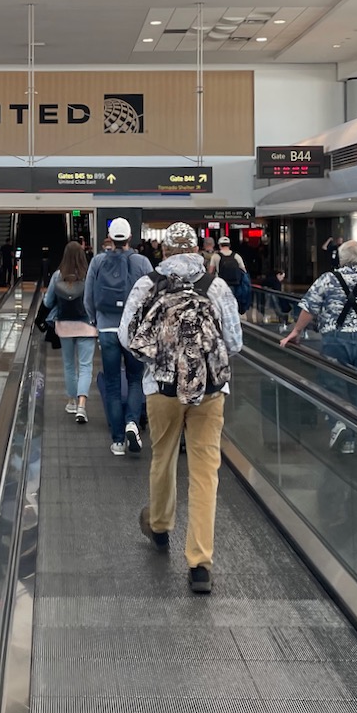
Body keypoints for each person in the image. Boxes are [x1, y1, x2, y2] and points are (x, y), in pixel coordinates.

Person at [121, 221, 243, 594]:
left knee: (164, 455)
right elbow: (235, 341)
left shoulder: (149, 284)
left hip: (161, 388)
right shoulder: (216, 285)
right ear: (197, 250)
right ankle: (200, 564)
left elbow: (128, 336)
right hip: (209, 390)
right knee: (206, 472)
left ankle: (160, 526)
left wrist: (164, 355)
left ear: (166, 252)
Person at [281, 239, 357, 455]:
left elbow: (309, 308)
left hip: (335, 340)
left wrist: (295, 332)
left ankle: (338, 424)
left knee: (331, 386)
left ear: (340, 258)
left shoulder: (327, 279)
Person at [84, 217, 154, 456]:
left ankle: (117, 441)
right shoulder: (142, 262)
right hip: (133, 331)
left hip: (107, 330)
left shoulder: (98, 261)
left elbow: (88, 296)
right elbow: (152, 295)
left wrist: (95, 320)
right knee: (136, 379)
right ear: (130, 238)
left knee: (113, 384)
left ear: (110, 238)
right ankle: (132, 422)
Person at [44, 241, 96, 425]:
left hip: (64, 325)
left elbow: (48, 302)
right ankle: (82, 405)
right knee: (85, 366)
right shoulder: (89, 275)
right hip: (87, 325)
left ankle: (71, 401)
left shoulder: (58, 275)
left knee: (68, 365)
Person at [215, 236, 252, 317]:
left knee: (223, 303)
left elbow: (210, 271)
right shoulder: (236, 256)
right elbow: (243, 270)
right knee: (233, 301)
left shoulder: (216, 256)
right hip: (235, 283)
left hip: (221, 284)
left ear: (220, 245)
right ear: (229, 245)